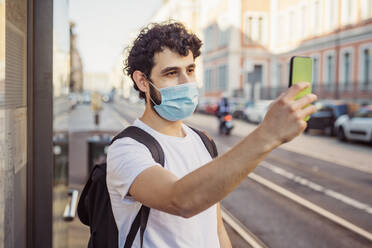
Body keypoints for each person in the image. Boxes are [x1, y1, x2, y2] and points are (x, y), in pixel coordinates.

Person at [107, 21, 317, 248]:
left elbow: (215, 226)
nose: (186, 83)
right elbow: (181, 200)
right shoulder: (127, 148)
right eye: (171, 73)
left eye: (190, 70)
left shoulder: (202, 141)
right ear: (142, 82)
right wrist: (268, 134)